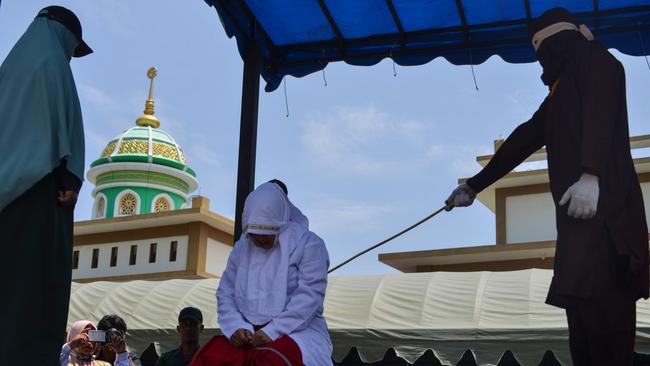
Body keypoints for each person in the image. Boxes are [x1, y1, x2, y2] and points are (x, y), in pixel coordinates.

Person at [446, 7, 648, 366]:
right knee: (583, 331)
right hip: (577, 228)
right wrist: (475, 185)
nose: (541, 59)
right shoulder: (560, 89)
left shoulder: (598, 62)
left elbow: (601, 115)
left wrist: (591, 175)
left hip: (607, 220)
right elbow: (525, 137)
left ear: (558, 41)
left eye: (542, 48)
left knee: (609, 328)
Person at [0, 5, 91, 365]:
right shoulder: (53, 68)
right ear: (63, 37)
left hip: (6, 203)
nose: (71, 56)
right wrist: (70, 182)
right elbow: (61, 137)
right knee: (34, 299)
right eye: (72, 47)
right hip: (40, 197)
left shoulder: (9, 71)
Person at [190, 181, 333, 366]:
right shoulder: (242, 246)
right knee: (211, 356)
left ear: (280, 224)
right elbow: (226, 293)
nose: (259, 239)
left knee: (270, 360)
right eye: (254, 234)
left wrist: (273, 331)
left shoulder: (309, 244)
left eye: (266, 233)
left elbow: (309, 297)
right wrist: (236, 327)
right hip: (247, 332)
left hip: (296, 330)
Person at [61, 320, 129, 366]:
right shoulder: (66, 362)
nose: (89, 343)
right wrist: (70, 345)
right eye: (84, 337)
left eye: (93, 337)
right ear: (73, 337)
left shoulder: (104, 365)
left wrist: (121, 354)